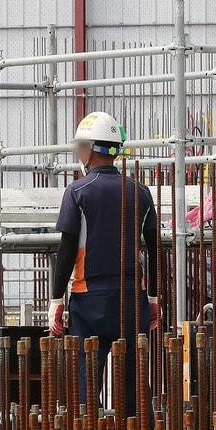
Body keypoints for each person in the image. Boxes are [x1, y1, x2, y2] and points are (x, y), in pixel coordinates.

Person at [47, 112, 162, 414]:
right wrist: (152, 299)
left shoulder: (77, 192)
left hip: (88, 302)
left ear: (88, 149)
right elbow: (154, 248)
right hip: (130, 301)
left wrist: (56, 300)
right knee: (134, 389)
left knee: (85, 390)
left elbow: (67, 249)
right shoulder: (141, 193)